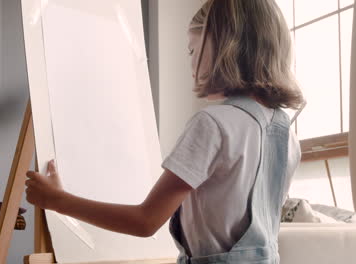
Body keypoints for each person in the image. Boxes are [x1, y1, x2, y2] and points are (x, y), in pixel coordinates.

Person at [25, 0, 304, 263]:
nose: (191, 62)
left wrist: (58, 200)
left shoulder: (213, 124)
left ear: (224, 48)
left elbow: (145, 221)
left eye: (193, 50)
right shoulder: (287, 135)